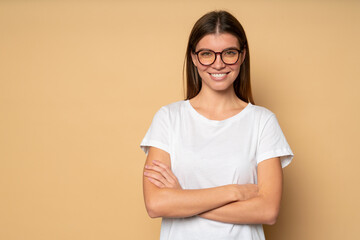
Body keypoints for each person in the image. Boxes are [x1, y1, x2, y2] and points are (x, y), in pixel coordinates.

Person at [140, 10, 293, 240]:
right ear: (193, 58)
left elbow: (267, 210)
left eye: (229, 53)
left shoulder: (263, 122)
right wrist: (234, 192)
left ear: (242, 56)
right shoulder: (168, 118)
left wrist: (183, 199)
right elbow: (156, 204)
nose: (218, 64)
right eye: (207, 54)